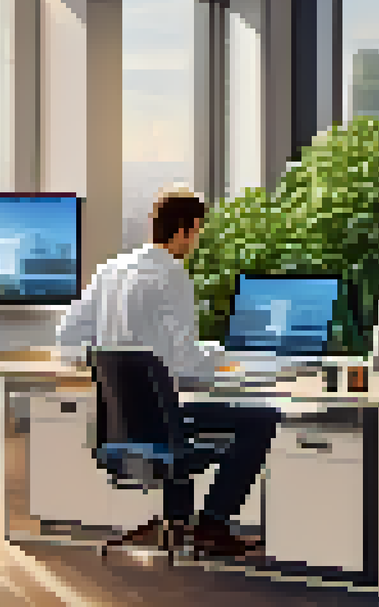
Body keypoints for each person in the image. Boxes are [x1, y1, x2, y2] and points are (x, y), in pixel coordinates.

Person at [56, 188, 276, 558]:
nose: (196, 241)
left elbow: (67, 338)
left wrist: (108, 363)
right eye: (198, 231)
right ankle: (213, 523)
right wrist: (231, 365)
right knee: (261, 418)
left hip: (121, 426)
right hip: (164, 422)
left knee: (179, 416)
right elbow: (186, 362)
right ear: (186, 230)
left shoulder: (110, 270)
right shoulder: (171, 275)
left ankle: (178, 520)